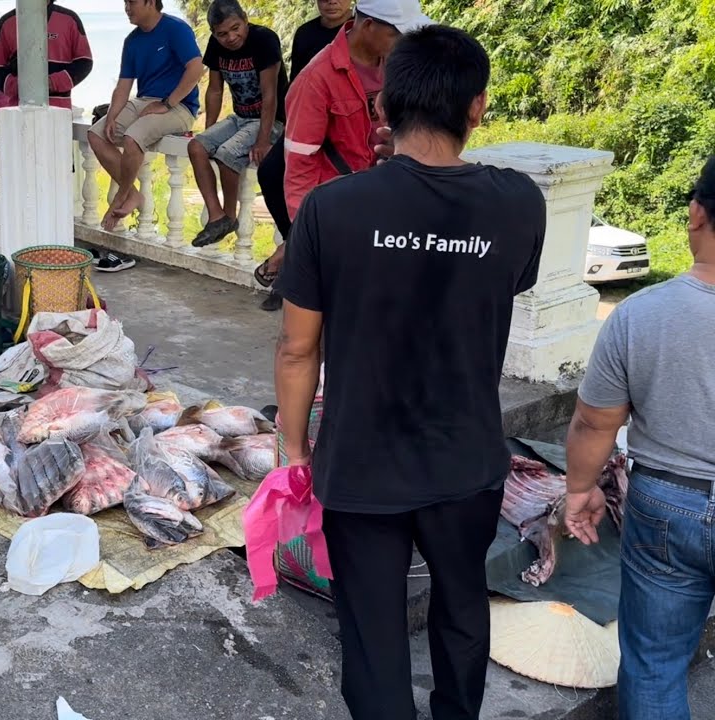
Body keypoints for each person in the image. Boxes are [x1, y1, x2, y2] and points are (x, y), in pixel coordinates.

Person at [275, 24, 547, 720]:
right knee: (462, 609)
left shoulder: (331, 209)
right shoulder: (520, 204)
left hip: (360, 464)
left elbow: (298, 350)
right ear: (477, 107)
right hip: (465, 460)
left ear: (382, 106)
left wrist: (295, 449)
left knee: (372, 636)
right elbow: (499, 282)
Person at [561, 159, 715, 720]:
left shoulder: (642, 314)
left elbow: (594, 423)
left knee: (654, 665)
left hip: (668, 504)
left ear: (696, 214)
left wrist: (579, 489)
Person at [258, 0, 403, 306]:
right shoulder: (315, 78)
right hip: (338, 212)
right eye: (395, 33)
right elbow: (299, 167)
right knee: (334, 310)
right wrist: (306, 237)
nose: (402, 40)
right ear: (369, 26)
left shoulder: (394, 64)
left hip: (384, 204)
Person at [254, 0, 350, 310]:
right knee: (270, 172)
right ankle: (293, 252)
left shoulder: (362, 32)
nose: (331, 2)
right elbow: (296, 86)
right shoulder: (306, 33)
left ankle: (292, 266)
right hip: (307, 125)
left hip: (346, 129)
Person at [86, 0, 202, 238]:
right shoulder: (132, 41)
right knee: (96, 135)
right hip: (144, 101)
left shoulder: (176, 29)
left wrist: (167, 103)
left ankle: (122, 196)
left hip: (180, 106)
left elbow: (196, 69)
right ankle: (133, 194)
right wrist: (112, 116)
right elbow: (123, 85)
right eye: (125, 2)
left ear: (150, 2)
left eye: (132, 1)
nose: (127, 7)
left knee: (133, 138)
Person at [188, 0, 287, 248]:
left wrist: (263, 140)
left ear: (245, 19)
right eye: (222, 34)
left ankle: (230, 217)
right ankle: (217, 216)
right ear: (214, 33)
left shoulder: (264, 40)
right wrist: (210, 129)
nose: (231, 37)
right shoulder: (216, 46)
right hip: (240, 117)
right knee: (196, 147)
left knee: (226, 154)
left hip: (271, 120)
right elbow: (214, 90)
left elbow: (270, 95)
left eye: (235, 28)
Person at [0, 0, 92, 113]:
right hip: (20, 109)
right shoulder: (6, 22)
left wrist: (51, 83)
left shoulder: (69, 19)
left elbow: (85, 63)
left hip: (59, 111)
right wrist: (20, 86)